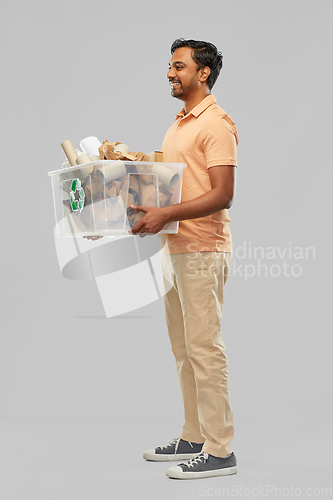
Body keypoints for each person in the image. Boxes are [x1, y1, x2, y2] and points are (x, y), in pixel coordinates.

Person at [131, 38, 239, 480]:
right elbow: (174, 180)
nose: (170, 73)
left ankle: (220, 451)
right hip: (174, 250)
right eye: (170, 66)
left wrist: (165, 214)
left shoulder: (216, 124)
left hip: (202, 250)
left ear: (203, 73)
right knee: (183, 351)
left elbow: (222, 194)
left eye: (179, 66)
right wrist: (128, 168)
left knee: (205, 351)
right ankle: (194, 436)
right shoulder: (179, 124)